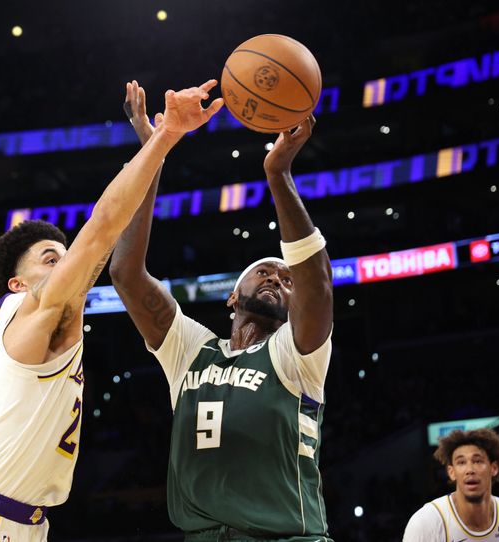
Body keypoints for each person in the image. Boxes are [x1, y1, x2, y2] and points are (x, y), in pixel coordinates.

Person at [0, 80, 224, 542]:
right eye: (50, 258)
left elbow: (107, 248)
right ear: (17, 285)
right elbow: (101, 227)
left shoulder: (29, 325)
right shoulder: (33, 307)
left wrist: (152, 152)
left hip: (18, 520)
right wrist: (166, 136)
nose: (66, 264)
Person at [109, 81, 334, 541]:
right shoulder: (191, 351)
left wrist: (278, 175)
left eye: (286, 279)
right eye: (265, 272)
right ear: (233, 298)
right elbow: (126, 274)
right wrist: (155, 148)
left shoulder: (298, 355)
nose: (278, 278)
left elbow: (318, 285)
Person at [403, 428, 499, 542]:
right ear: (451, 472)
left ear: (494, 468)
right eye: (461, 462)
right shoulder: (425, 522)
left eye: (477, 461)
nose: (470, 469)